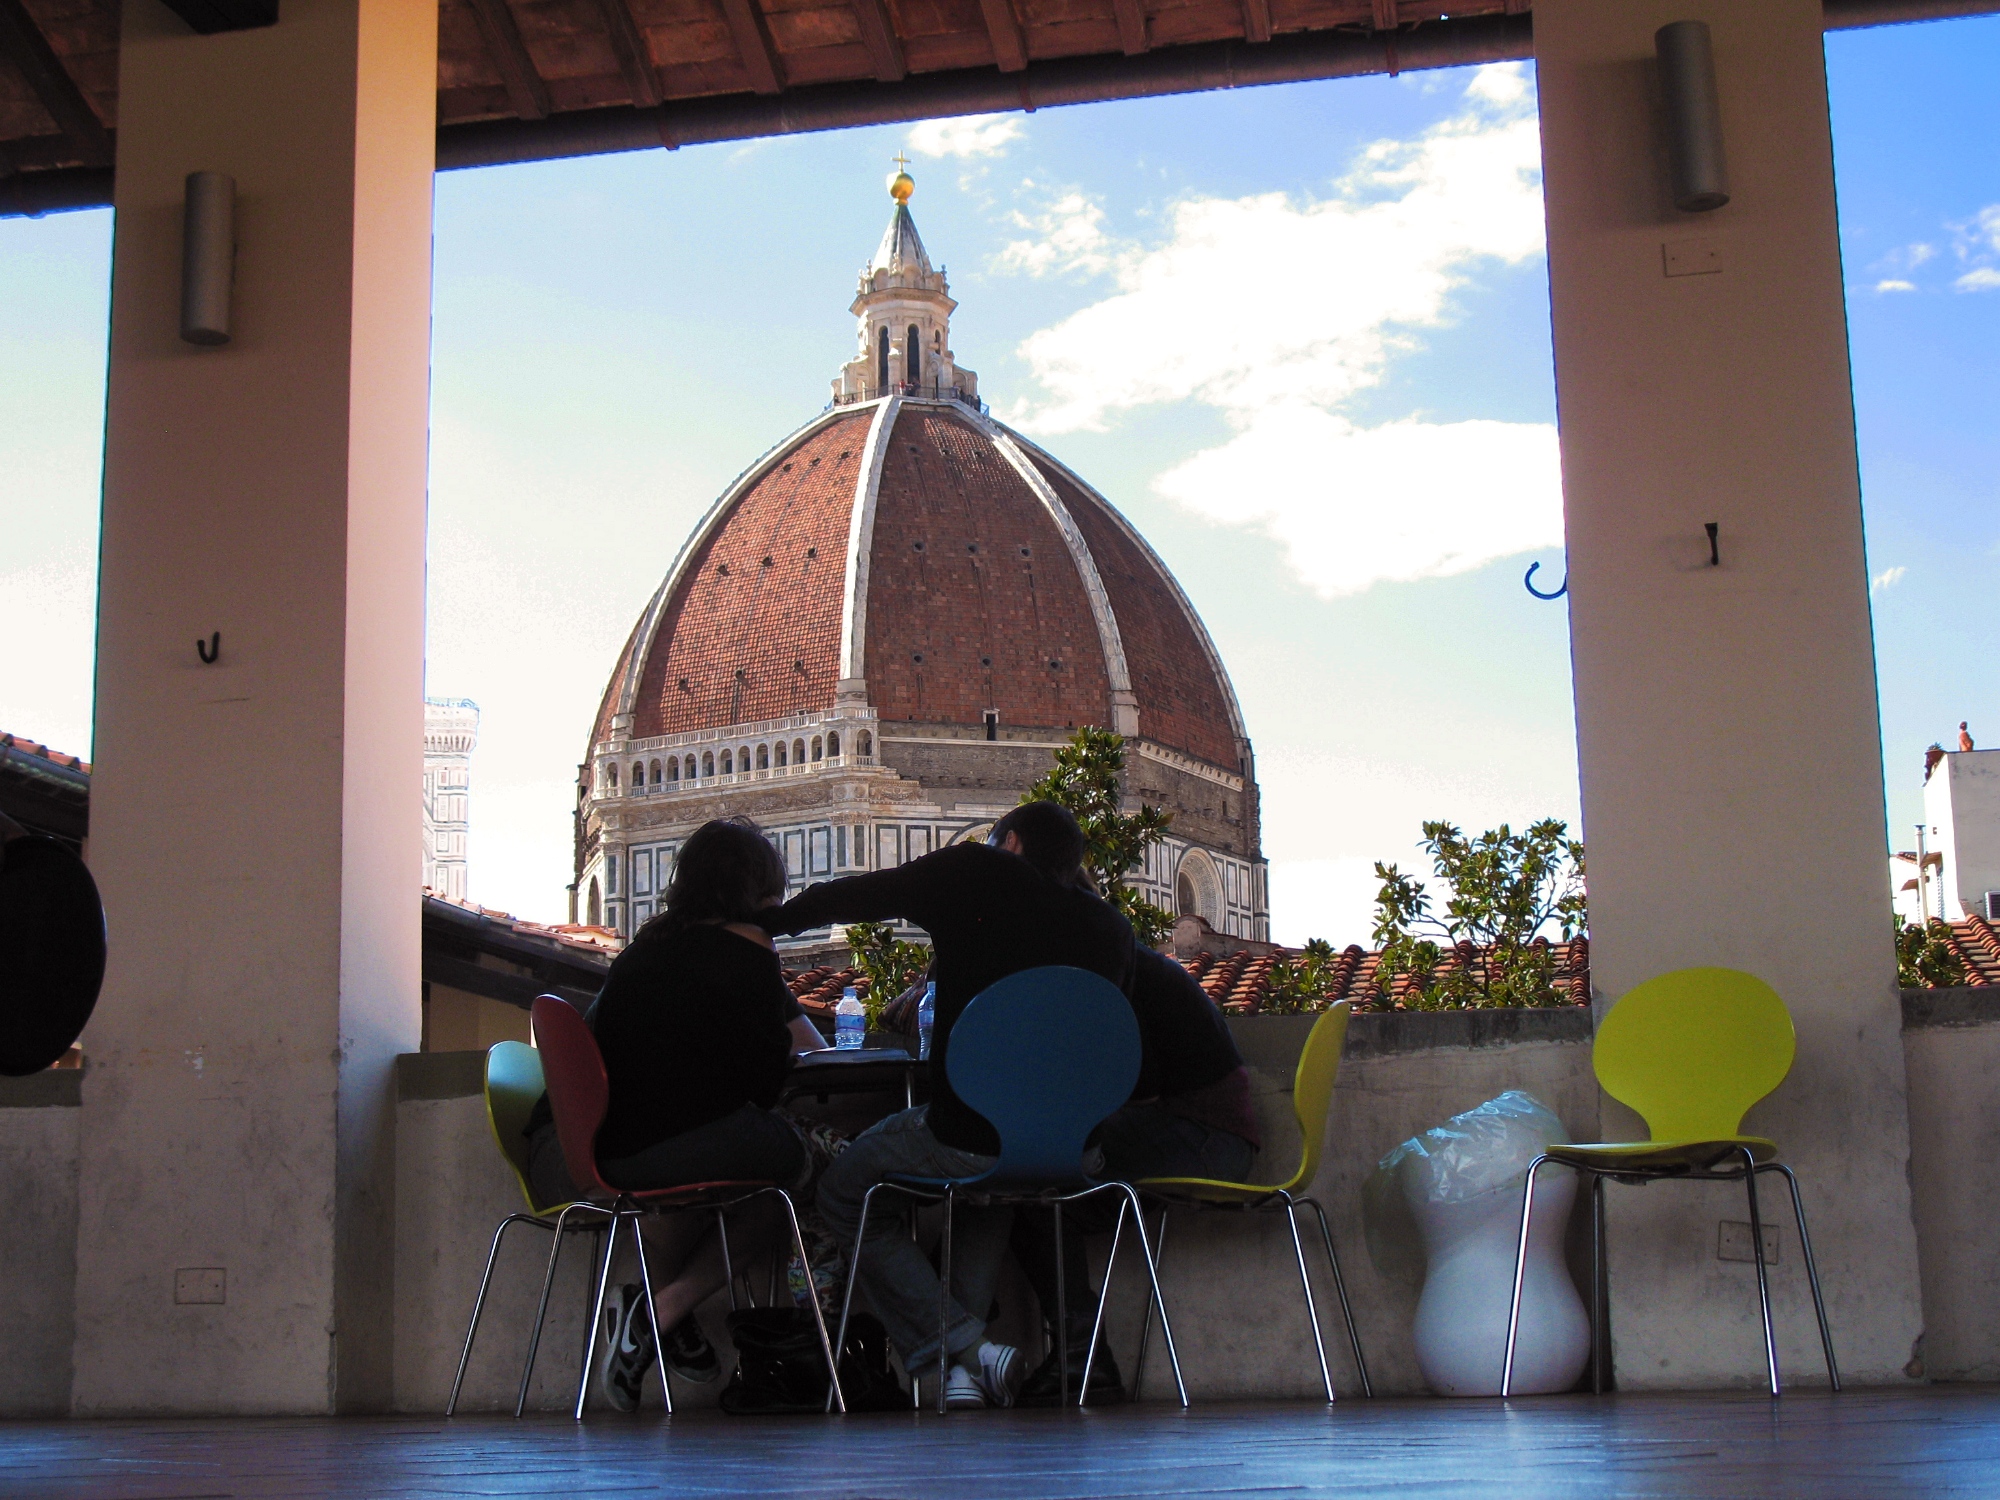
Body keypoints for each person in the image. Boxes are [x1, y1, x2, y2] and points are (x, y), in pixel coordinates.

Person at [759, 801, 1136, 1410]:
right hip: (1076, 1151)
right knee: (992, 1190)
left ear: (1009, 845)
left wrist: (773, 922)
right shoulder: (1112, 929)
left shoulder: (976, 873)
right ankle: (964, 1378)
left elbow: (866, 895)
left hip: (968, 1134)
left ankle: (964, 1347)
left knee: (843, 1190)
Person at [522, 818, 831, 1411]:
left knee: (706, 1188)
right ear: (763, 895)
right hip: (653, 1151)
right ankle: (661, 1311)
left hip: (570, 1152)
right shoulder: (746, 953)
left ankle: (656, 1316)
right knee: (791, 1179)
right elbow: (778, 1077)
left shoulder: (643, 952)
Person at [1008, 942, 1260, 1405]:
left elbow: (1139, 1090)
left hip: (1201, 1139)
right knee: (1043, 1204)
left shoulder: (1112, 974)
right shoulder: (1128, 961)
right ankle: (1083, 1359)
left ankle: (1081, 1358)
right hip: (1212, 1136)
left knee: (1033, 1186)